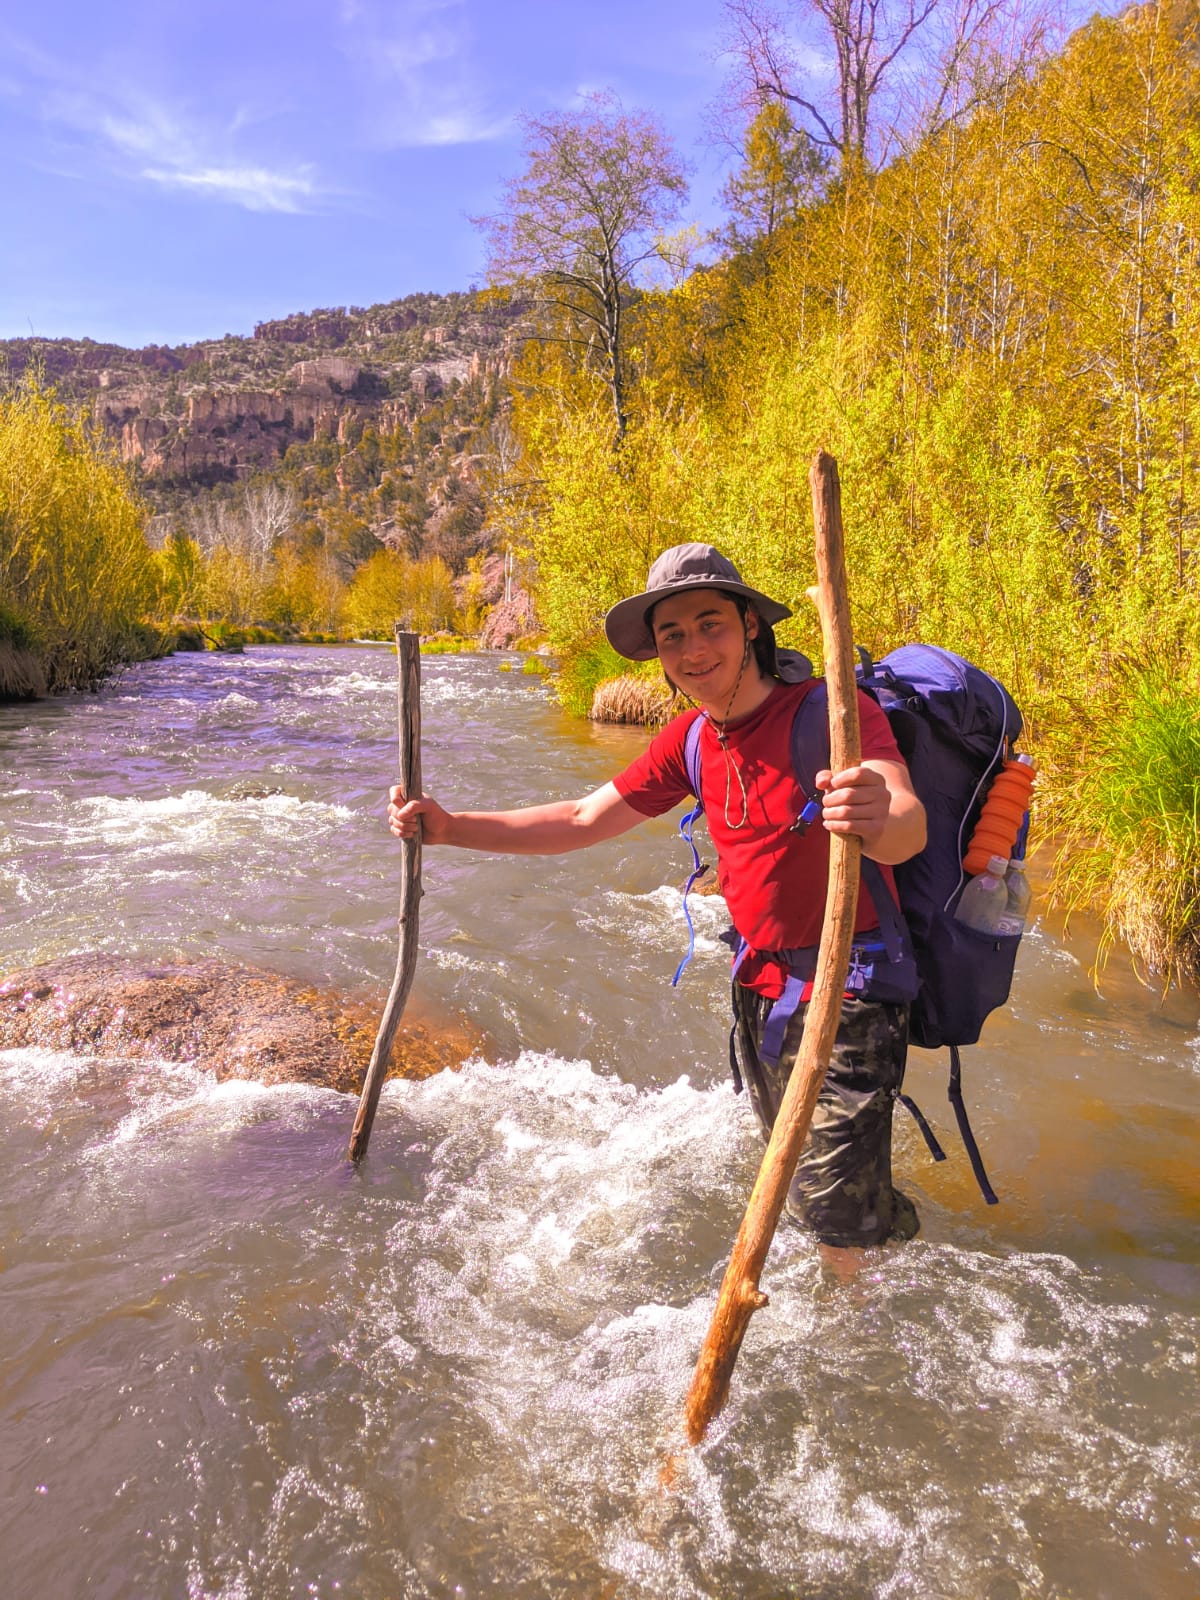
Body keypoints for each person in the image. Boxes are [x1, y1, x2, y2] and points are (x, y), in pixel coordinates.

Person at [388, 543, 927, 1277]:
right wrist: (451, 828)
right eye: (672, 635)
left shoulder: (835, 715)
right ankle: (881, 1236)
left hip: (852, 987)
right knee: (799, 1170)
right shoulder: (693, 739)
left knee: (829, 1211)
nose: (693, 648)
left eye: (710, 624)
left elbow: (904, 830)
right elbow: (582, 819)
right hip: (760, 987)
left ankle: (855, 1332)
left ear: (750, 626)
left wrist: (874, 811)